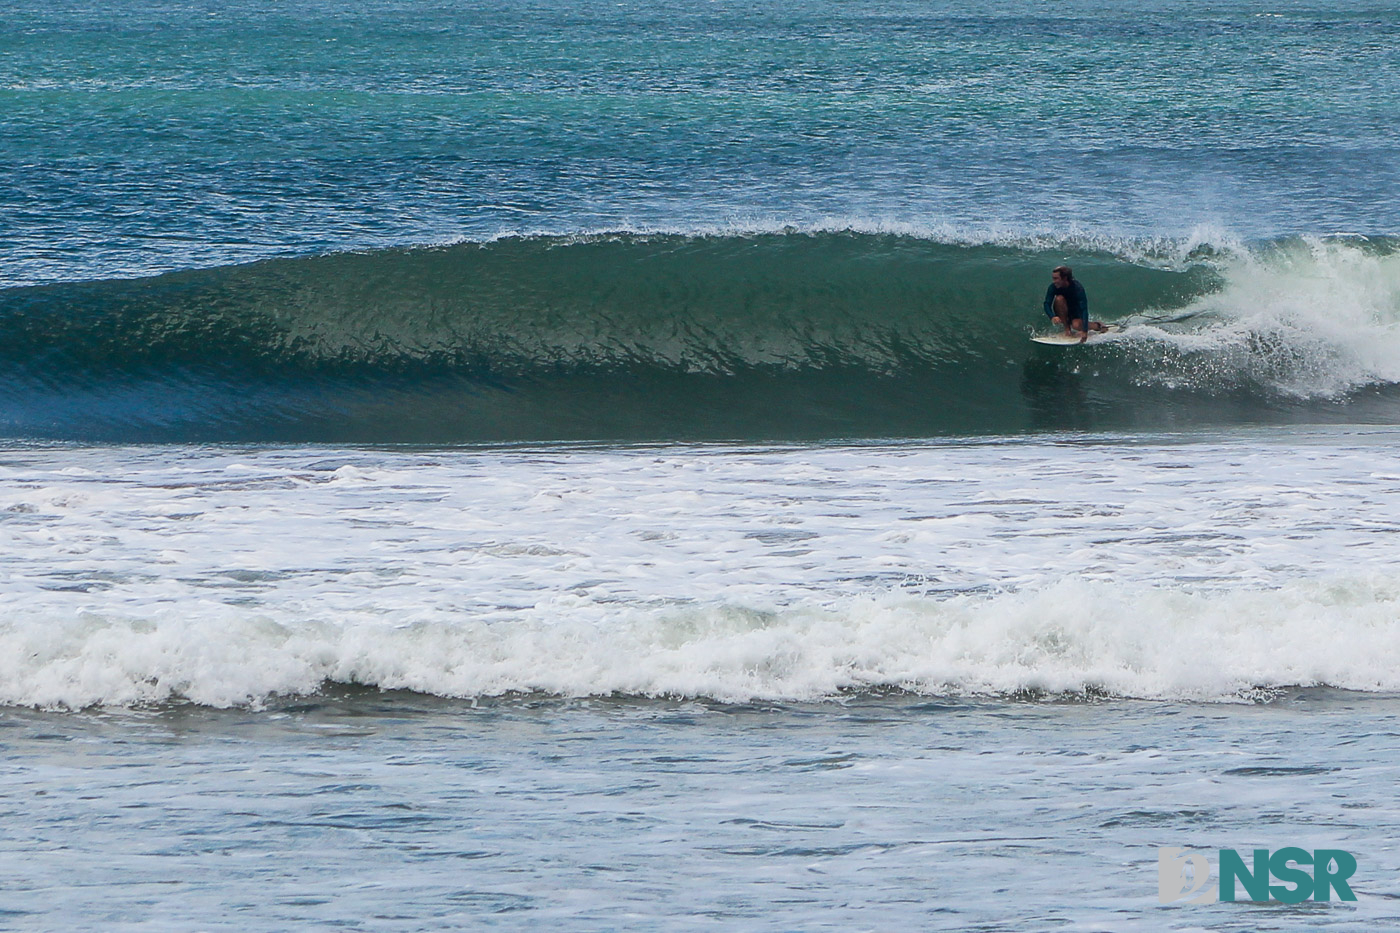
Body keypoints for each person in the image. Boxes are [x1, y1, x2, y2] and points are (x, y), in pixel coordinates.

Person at [1043, 266, 1107, 343]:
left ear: (1065, 278)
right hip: (1062, 311)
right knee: (1059, 298)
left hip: (1075, 311)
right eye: (1053, 278)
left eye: (1056, 278)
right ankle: (1067, 330)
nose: (1054, 281)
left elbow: (1084, 309)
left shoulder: (1077, 288)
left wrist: (1085, 331)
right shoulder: (1053, 287)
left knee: (1076, 325)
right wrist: (1052, 316)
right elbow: (1047, 304)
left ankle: (1098, 325)